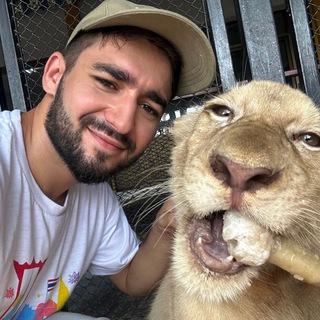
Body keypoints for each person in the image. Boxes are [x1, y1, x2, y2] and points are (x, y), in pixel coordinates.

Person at [0, 0, 216, 319]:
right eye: (108, 83)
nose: (124, 122)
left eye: (148, 108)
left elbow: (130, 277)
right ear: (55, 75)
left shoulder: (92, 193)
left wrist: (169, 225)